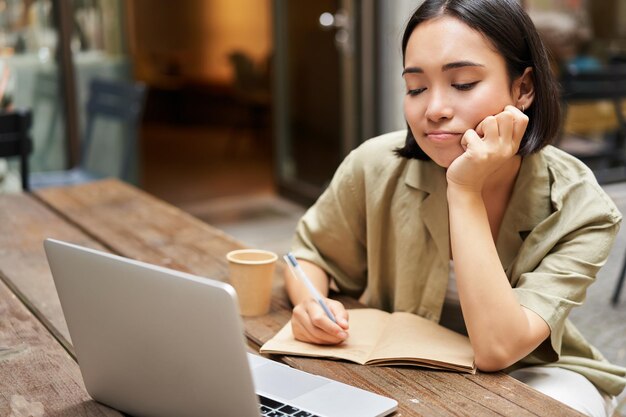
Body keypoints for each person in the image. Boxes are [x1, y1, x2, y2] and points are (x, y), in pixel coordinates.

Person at [283, 1, 626, 416]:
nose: (434, 109)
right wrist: (310, 303)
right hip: (403, 365)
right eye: (416, 87)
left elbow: (498, 350)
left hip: (531, 372)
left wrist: (464, 190)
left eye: (462, 83)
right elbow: (309, 256)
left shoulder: (580, 206)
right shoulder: (374, 166)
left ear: (524, 88)